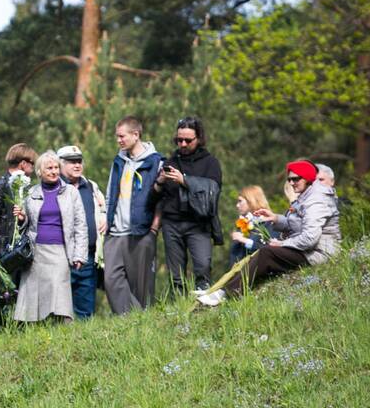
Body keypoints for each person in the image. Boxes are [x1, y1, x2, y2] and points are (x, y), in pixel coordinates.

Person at [199, 159, 341, 306]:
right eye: (289, 179)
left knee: (267, 252)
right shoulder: (306, 195)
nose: (291, 183)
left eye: (296, 179)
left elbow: (310, 237)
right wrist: (275, 218)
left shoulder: (317, 200)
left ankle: (226, 294)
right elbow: (298, 224)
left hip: (320, 253)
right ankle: (221, 290)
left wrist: (283, 244)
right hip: (309, 250)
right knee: (263, 254)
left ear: (308, 179)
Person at [148, 116, 223, 293]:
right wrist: (159, 182)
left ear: (199, 139)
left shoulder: (210, 163)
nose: (182, 144)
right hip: (171, 224)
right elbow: (153, 200)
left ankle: (203, 305)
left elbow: (213, 192)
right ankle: (179, 310)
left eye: (187, 140)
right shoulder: (170, 162)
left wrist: (185, 181)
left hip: (198, 223)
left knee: (203, 267)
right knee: (176, 276)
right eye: (179, 140)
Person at [12, 151, 88, 323]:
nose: (54, 171)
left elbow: (80, 225)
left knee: (59, 290)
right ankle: (36, 329)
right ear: (40, 171)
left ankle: (62, 330)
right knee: (35, 293)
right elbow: (25, 225)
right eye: (49, 168)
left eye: (56, 168)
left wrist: (79, 254)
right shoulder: (30, 193)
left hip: (61, 250)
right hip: (36, 251)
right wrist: (22, 218)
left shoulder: (71, 192)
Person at [104, 116, 161, 314]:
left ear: (135, 135)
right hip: (115, 232)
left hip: (141, 231)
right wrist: (106, 218)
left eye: (122, 136)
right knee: (110, 280)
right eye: (117, 136)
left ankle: (139, 326)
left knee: (141, 287)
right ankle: (133, 317)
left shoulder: (156, 162)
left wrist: (154, 228)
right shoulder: (119, 160)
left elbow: (162, 200)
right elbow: (111, 191)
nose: (118, 140)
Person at [0, 144, 37, 328]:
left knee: (22, 289)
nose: (33, 168)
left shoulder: (29, 187)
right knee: (4, 290)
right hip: (4, 246)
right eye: (32, 163)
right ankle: (1, 330)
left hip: (23, 246)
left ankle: (20, 328)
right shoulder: (1, 184)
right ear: (23, 163)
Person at [58, 144, 106, 319]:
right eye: (71, 162)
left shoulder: (91, 186)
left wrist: (104, 216)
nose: (77, 165)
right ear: (60, 164)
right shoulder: (53, 187)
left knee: (86, 310)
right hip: (62, 256)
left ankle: (83, 342)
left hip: (88, 255)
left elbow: (103, 207)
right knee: (61, 309)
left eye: (79, 161)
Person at [228, 185, 271, 265]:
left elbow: (268, 250)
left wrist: (244, 240)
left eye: (240, 201)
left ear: (251, 200)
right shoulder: (243, 224)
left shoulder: (269, 222)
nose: (237, 205)